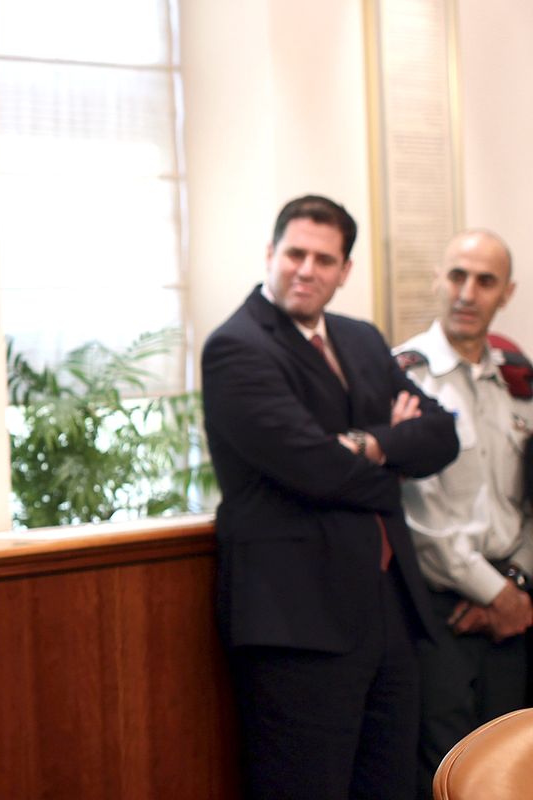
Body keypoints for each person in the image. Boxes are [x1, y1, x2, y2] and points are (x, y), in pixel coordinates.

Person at [201, 194, 459, 799]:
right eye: (294, 253)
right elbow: (313, 467)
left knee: (391, 786)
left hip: (388, 608)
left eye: (324, 259)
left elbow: (443, 434)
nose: (305, 270)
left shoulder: (362, 339)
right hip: (297, 618)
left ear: (344, 272)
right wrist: (395, 453)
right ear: (270, 254)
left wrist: (365, 444)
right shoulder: (238, 346)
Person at [393, 229, 533, 797]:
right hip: (440, 609)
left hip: (517, 606)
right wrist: (491, 592)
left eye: (485, 280)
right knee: (445, 772)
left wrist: (517, 585)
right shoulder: (401, 374)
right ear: (437, 280)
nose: (467, 293)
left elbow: (530, 500)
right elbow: (415, 510)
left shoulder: (520, 381)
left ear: (508, 292)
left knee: (513, 769)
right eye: (456, 276)